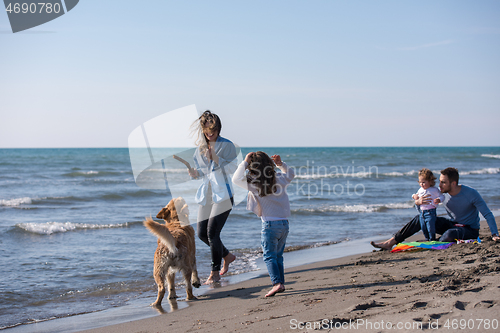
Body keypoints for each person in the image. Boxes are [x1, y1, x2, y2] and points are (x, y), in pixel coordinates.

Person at [371, 167, 499, 250]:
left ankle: (432, 243)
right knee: (420, 218)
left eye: (443, 182)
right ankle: (391, 242)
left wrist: (494, 234)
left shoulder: (471, 194)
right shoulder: (440, 193)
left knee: (450, 234)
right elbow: (425, 212)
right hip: (452, 224)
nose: (439, 185)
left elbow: (487, 214)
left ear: (453, 183)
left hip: (469, 230)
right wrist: (418, 203)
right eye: (440, 181)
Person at [232, 151, 295, 297]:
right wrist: (281, 164)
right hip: (284, 224)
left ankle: (276, 283)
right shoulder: (279, 178)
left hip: (269, 226)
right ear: (270, 164)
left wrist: (245, 162)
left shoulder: (254, 183)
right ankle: (281, 283)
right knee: (278, 256)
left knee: (268, 256)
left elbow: (236, 179)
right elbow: (291, 173)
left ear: (252, 168)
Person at [189, 110, 237, 284]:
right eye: (207, 131)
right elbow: (203, 173)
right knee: (201, 233)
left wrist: (217, 159)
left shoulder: (227, 145)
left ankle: (214, 273)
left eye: (213, 131)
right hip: (206, 195)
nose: (210, 134)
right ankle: (227, 255)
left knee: (212, 233)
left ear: (219, 129)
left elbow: (234, 170)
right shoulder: (199, 150)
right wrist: (195, 173)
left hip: (223, 195)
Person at [411, 168, 444, 241]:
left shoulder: (434, 190)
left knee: (430, 226)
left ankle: (432, 238)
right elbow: (415, 195)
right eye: (420, 182)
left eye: (423, 182)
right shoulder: (420, 190)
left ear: (430, 181)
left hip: (430, 212)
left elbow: (442, 196)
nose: (421, 184)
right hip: (422, 213)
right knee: (423, 227)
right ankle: (426, 238)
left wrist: (439, 200)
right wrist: (414, 196)